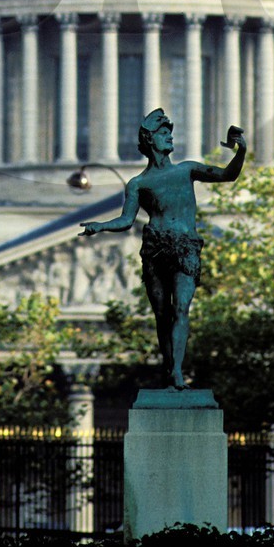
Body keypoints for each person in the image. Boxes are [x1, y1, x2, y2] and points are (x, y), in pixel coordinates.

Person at [82, 107, 245, 389]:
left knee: (181, 307)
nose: (170, 138)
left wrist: (240, 152)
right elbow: (125, 220)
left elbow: (227, 175)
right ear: (149, 141)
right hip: (155, 250)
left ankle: (178, 372)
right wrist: (100, 226)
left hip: (185, 249)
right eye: (164, 134)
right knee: (162, 314)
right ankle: (169, 367)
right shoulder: (138, 184)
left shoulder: (188, 170)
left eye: (170, 133)